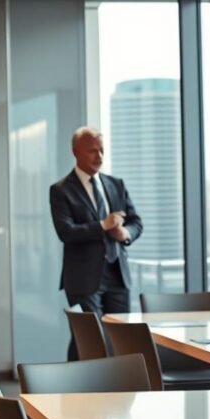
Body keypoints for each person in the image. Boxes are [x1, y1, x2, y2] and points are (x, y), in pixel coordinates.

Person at [49, 127, 142, 361]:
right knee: (91, 338)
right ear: (75, 152)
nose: (99, 156)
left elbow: (136, 222)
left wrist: (125, 233)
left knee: (122, 339)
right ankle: (75, 386)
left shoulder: (115, 185)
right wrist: (102, 225)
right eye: (92, 151)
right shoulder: (61, 190)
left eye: (101, 150)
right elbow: (66, 232)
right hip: (83, 278)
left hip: (117, 275)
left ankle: (115, 390)